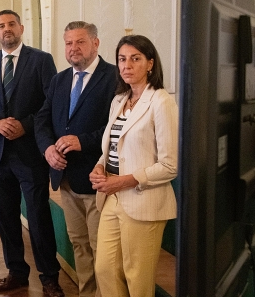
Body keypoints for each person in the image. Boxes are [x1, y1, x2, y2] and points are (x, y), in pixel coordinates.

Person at [0, 10, 64, 297]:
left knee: (38, 217)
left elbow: (52, 102)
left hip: (31, 152)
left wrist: (26, 125)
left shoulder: (41, 60)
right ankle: (17, 273)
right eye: (0, 26)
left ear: (21, 28)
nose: (6, 29)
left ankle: (49, 277)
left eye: (11, 24)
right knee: (5, 217)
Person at [89, 35, 178, 297]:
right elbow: (111, 147)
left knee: (137, 278)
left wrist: (125, 180)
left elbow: (170, 165)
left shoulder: (161, 101)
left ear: (150, 63)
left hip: (143, 200)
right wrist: (99, 166)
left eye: (135, 59)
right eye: (122, 59)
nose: (126, 65)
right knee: (104, 269)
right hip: (111, 196)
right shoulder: (119, 99)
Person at [35, 21, 117, 297]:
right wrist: (47, 149)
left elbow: (115, 127)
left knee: (100, 246)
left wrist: (83, 141)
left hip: (98, 177)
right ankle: (87, 292)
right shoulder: (59, 79)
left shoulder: (114, 78)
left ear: (95, 43)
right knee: (79, 243)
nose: (73, 48)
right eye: (68, 43)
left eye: (80, 42)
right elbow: (42, 119)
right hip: (66, 178)